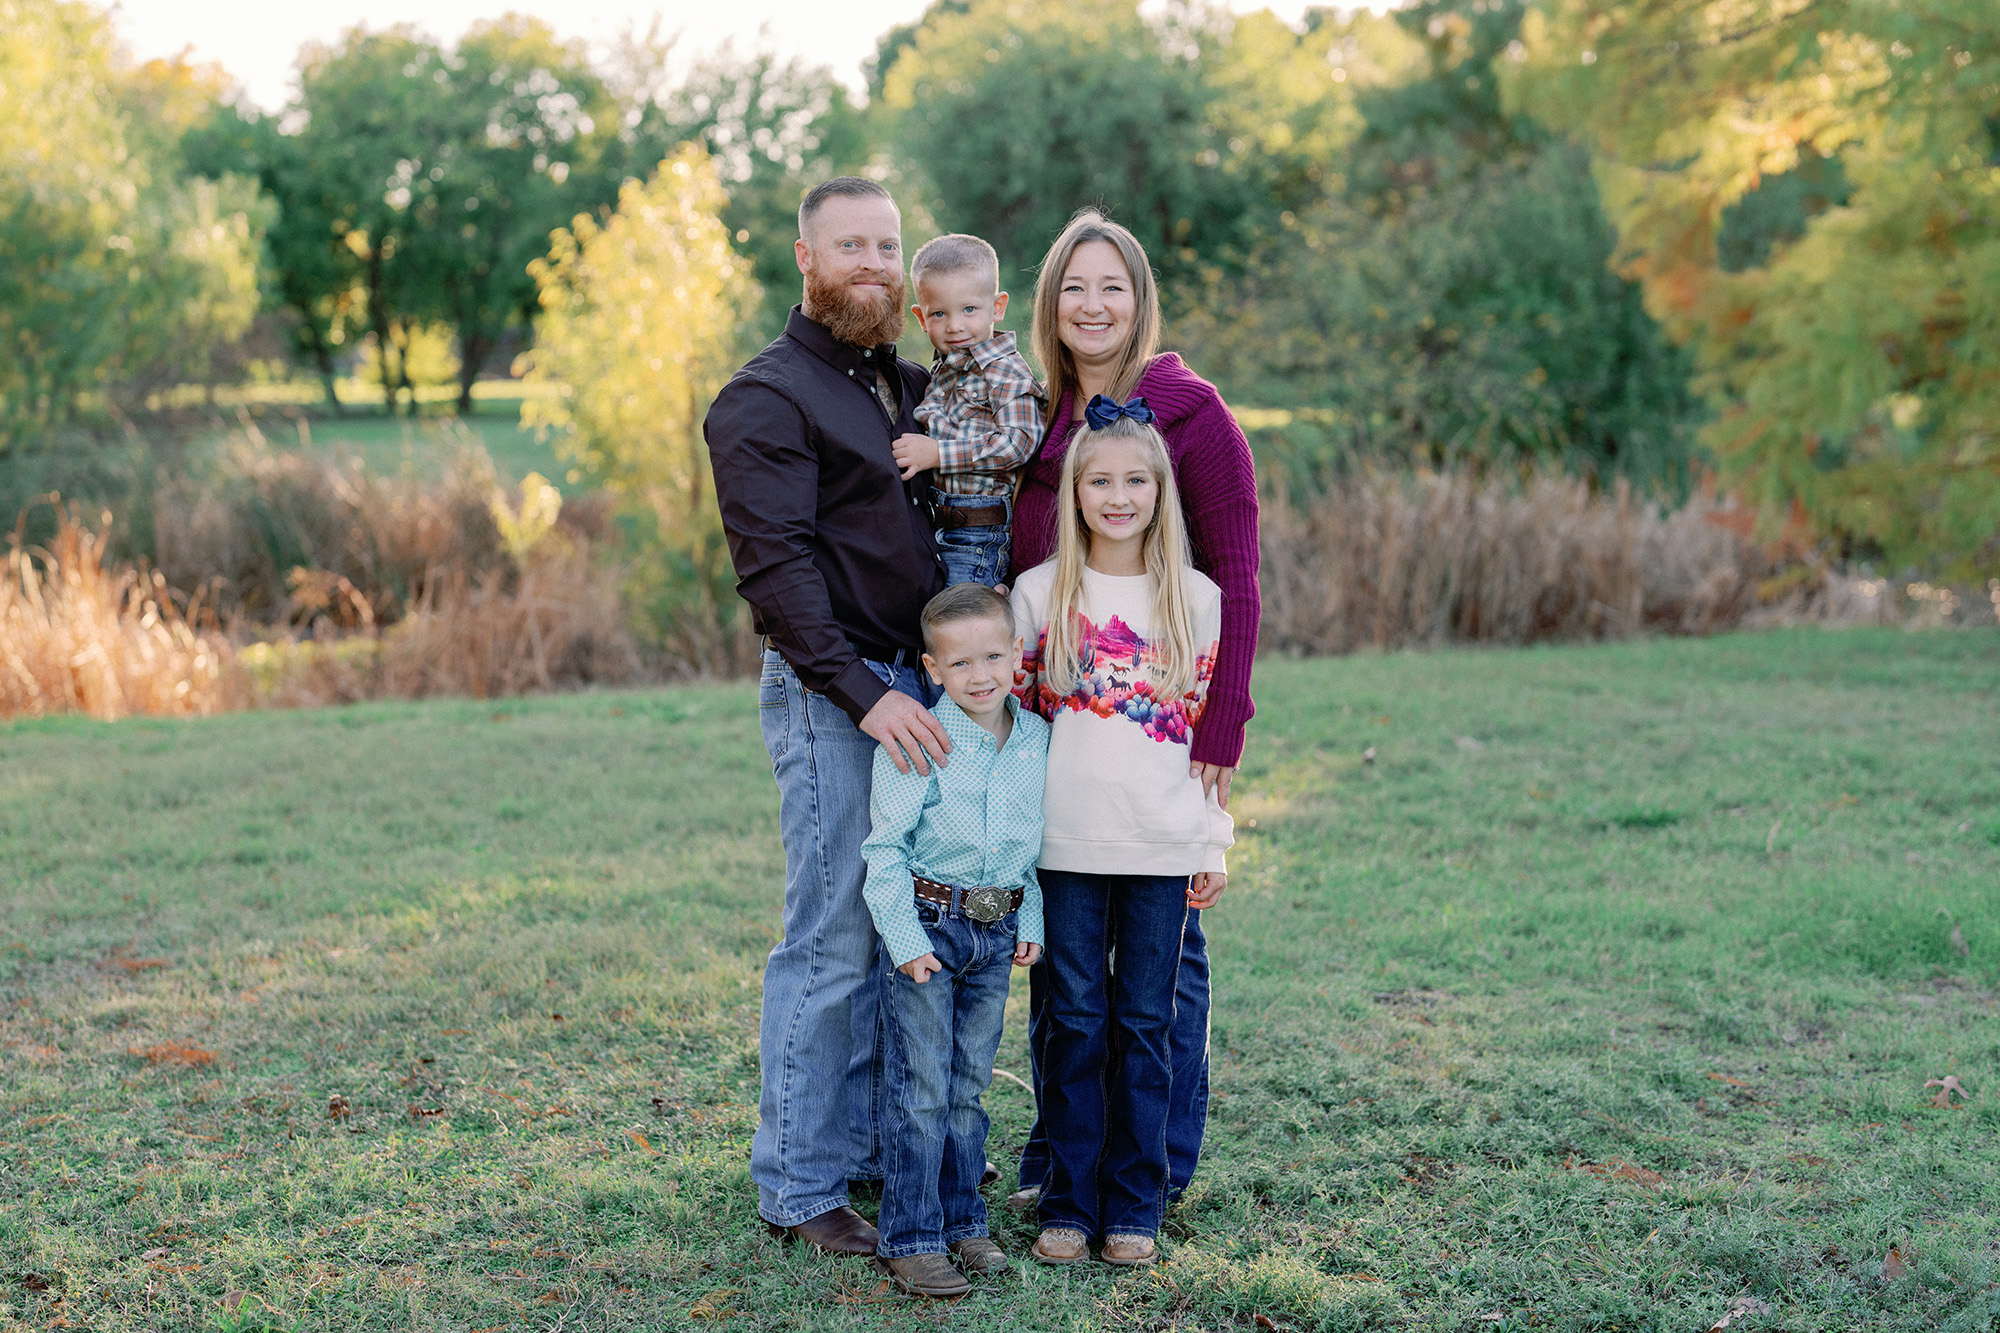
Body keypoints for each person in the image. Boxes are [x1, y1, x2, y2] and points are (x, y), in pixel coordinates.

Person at [703, 176, 954, 1257]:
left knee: (901, 922)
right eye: (849, 244)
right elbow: (778, 575)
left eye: (887, 245)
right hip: (835, 695)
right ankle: (799, 1188)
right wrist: (865, 694)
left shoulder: (901, 386)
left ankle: (864, 1148)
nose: (872, 263)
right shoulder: (762, 399)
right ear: (803, 257)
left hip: (924, 686)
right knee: (832, 935)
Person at [1009, 210, 1260, 1208]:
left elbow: (1233, 576)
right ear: (1049, 305)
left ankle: (1153, 1162)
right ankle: (1058, 1161)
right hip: (1058, 732)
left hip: (1164, 726)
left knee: (1161, 967)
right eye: (1073, 286)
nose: (1092, 305)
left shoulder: (1187, 411)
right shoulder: (1036, 418)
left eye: (1111, 286)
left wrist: (1222, 721)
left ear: (1140, 300)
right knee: (1063, 971)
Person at [1009, 405, 1233, 1266]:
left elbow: (1206, 742)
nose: (1118, 495)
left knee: (1145, 1025)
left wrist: (1211, 843)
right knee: (1074, 1020)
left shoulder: (1197, 601)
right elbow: (1020, 728)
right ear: (1074, 491)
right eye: (1100, 479)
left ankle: (1135, 1204)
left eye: (1136, 479)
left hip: (1161, 849)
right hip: (1063, 849)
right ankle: (1069, 1198)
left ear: (1160, 491)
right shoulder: (1041, 592)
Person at [859, 583, 1049, 1297]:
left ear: (1016, 654)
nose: (981, 674)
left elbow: (1031, 846)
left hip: (996, 933)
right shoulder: (921, 739)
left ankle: (966, 1222)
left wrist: (1029, 919)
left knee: (968, 1086)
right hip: (928, 931)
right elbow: (884, 850)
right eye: (960, 662)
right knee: (922, 1088)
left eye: (993, 655)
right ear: (932, 669)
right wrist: (905, 940)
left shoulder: (1034, 739)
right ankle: (912, 1236)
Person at [889, 233, 1045, 589]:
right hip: (938, 524)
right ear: (921, 317)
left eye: (969, 310)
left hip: (979, 534)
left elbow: (1020, 442)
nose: (955, 326)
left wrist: (938, 454)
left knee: (959, 626)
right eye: (939, 313)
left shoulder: (1004, 370)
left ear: (998, 306)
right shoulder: (946, 368)